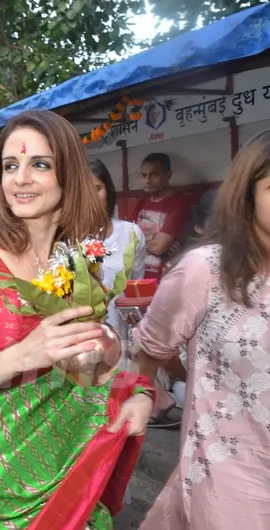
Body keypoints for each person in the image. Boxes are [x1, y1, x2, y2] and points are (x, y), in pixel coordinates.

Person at [0, 110, 154, 528]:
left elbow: (89, 362)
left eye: (40, 165)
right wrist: (25, 354)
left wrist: (139, 393)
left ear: (69, 174)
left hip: (65, 468)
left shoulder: (75, 262)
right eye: (10, 166)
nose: (21, 178)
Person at [133, 130, 270, 529]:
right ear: (246, 195)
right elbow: (148, 351)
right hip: (232, 490)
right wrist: (144, 397)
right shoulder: (205, 271)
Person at [90, 160, 147, 340]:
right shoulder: (67, 239)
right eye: (83, 192)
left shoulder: (131, 233)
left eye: (97, 189)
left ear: (108, 191)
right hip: (82, 340)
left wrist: (136, 310)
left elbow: (137, 285)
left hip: (120, 334)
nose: (90, 198)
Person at [131, 153, 192, 280]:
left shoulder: (178, 203)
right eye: (144, 175)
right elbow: (126, 242)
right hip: (138, 276)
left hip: (164, 278)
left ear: (168, 175)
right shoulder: (140, 204)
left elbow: (159, 247)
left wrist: (138, 244)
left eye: (154, 175)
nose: (147, 180)